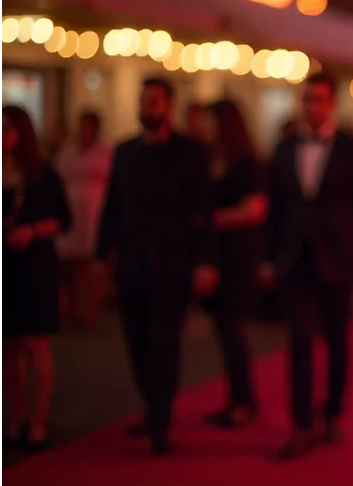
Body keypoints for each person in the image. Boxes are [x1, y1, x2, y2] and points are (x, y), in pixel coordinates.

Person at [95, 78, 217, 455]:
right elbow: (112, 207)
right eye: (144, 102)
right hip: (132, 264)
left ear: (169, 106)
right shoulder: (125, 151)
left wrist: (205, 262)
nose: (149, 108)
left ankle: (161, 421)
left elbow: (204, 212)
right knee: (136, 344)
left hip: (174, 264)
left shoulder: (191, 152)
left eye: (155, 102)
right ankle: (152, 407)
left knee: (164, 343)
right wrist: (102, 256)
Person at [262, 73, 353, 460]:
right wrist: (269, 256)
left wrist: (340, 228)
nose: (312, 106)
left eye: (320, 100)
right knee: (297, 344)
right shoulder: (282, 149)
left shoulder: (351, 148)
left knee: (337, 342)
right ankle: (300, 425)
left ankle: (332, 415)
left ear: (333, 104)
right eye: (307, 99)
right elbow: (275, 206)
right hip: (295, 258)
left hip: (338, 258)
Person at [1, 106, 72, 450]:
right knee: (8, 347)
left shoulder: (42, 173)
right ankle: (16, 417)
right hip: (5, 266)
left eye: (8, 129)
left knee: (34, 342)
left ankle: (39, 420)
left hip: (34, 265)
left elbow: (63, 219)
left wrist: (32, 231)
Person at [201, 100, 267, 428]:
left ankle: (244, 400)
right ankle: (237, 398)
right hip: (217, 255)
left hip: (239, 257)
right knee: (225, 331)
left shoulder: (245, 164)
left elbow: (254, 210)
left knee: (233, 330)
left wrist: (211, 220)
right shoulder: (212, 161)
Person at [53, 110, 113, 329]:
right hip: (72, 210)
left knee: (88, 265)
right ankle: (69, 308)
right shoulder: (67, 151)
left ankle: (89, 311)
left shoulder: (104, 152)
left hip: (93, 212)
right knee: (68, 264)